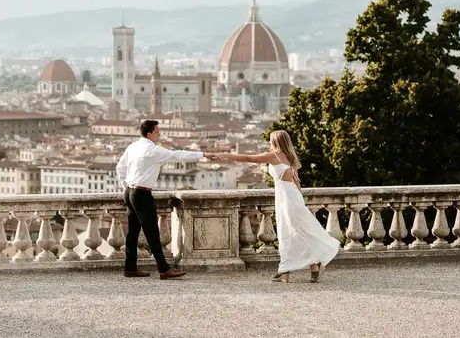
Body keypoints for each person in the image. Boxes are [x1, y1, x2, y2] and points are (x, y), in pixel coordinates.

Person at [218, 130, 339, 283]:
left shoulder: (274, 156)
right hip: (293, 197)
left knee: (288, 232)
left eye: (270, 140)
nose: (269, 142)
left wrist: (226, 155)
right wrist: (300, 203)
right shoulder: (291, 157)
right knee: (299, 232)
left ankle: (287, 270)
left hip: (286, 199)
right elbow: (296, 183)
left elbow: (248, 158)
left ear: (276, 141)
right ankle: (310, 267)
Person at [116, 119, 216, 280]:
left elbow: (120, 167)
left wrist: (125, 187)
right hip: (141, 194)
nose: (159, 135)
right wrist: (203, 155)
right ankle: (164, 269)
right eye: (157, 132)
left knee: (132, 233)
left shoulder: (133, 146)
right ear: (150, 134)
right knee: (152, 232)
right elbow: (178, 155)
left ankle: (130, 268)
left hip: (129, 192)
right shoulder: (154, 150)